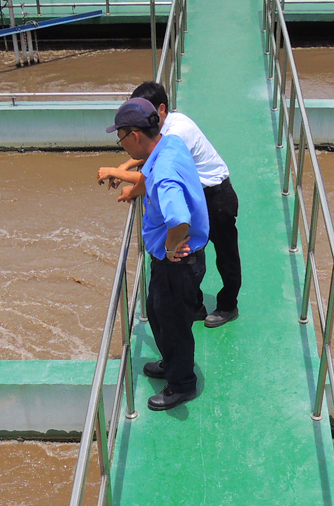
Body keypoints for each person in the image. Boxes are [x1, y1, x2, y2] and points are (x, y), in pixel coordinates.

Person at [97, 82, 241, 329]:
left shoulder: (177, 133)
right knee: (192, 251)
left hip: (216, 195)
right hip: (196, 193)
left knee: (223, 255)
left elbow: (156, 172)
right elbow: (150, 151)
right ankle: (195, 305)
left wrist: (121, 176)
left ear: (161, 110)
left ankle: (228, 305)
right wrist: (125, 167)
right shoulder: (167, 125)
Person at [107, 97, 209, 411]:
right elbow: (149, 179)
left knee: (174, 323)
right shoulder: (170, 144)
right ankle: (170, 363)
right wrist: (135, 189)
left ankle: (182, 385)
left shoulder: (163, 171)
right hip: (176, 262)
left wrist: (168, 249)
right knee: (157, 310)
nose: (122, 144)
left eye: (121, 137)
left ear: (135, 136)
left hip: (176, 263)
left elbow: (179, 219)